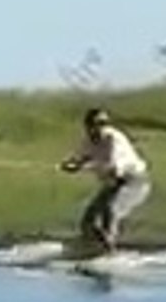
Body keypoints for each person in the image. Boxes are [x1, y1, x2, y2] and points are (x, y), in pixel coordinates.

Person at [58, 107, 151, 253]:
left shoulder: (113, 139)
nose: (103, 126)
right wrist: (70, 164)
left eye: (105, 123)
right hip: (113, 183)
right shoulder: (88, 140)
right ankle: (92, 246)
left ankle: (109, 251)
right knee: (87, 222)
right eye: (98, 123)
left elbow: (113, 168)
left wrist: (81, 167)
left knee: (111, 211)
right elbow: (81, 156)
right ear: (88, 126)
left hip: (133, 182)